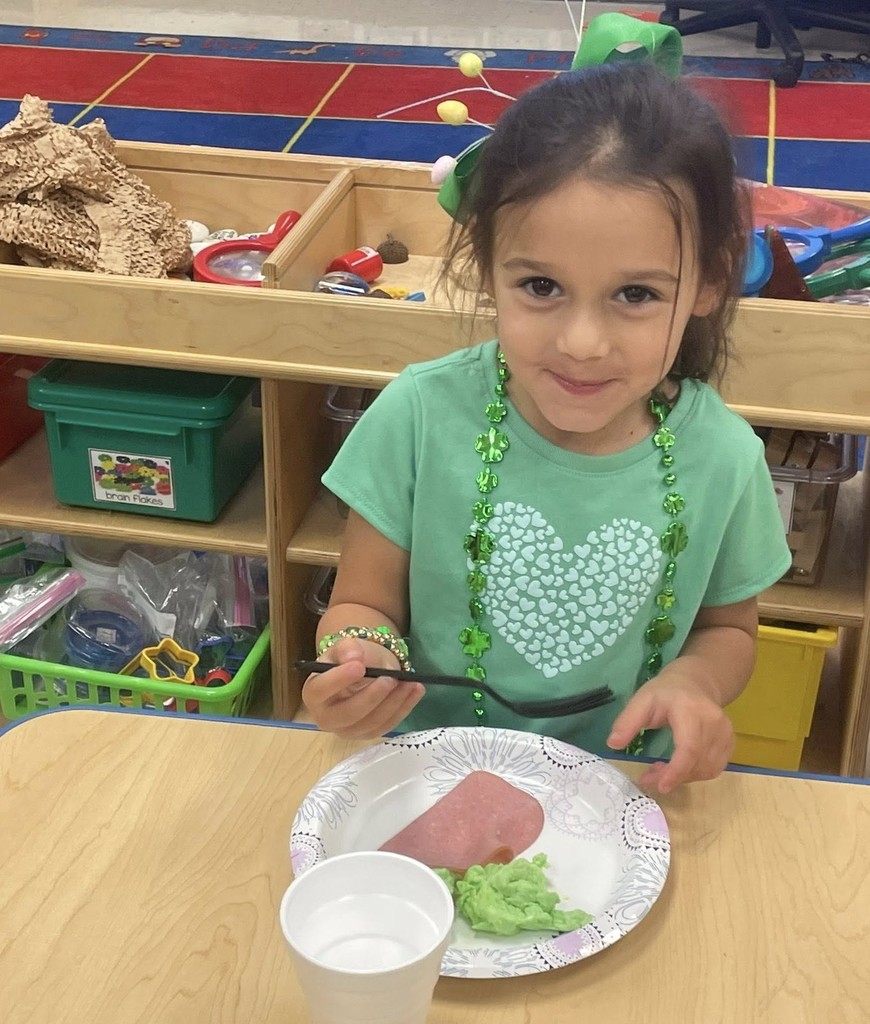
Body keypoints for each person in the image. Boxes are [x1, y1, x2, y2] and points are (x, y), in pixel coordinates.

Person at [302, 62, 792, 794]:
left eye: (636, 293)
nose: (583, 342)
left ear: (711, 282)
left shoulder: (722, 456)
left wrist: (694, 683)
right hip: (426, 774)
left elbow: (730, 631)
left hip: (624, 791)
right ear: (486, 266)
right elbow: (363, 605)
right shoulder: (417, 416)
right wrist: (357, 657)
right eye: (541, 287)